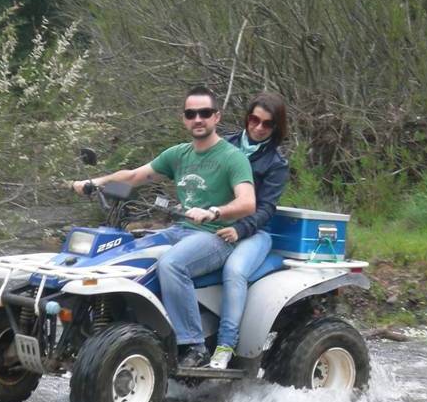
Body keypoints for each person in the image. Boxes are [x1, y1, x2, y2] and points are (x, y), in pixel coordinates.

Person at [73, 86, 255, 367]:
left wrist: (213, 211)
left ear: (216, 117)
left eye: (204, 113)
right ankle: (117, 329)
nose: (198, 119)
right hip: (181, 231)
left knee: (172, 264)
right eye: (191, 113)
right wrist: (96, 183)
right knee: (127, 254)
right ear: (184, 119)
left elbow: (248, 203)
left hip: (216, 237)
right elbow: (134, 177)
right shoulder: (179, 154)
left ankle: (193, 346)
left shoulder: (232, 157)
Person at [208, 91, 290, 369]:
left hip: (255, 233)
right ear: (246, 118)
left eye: (266, 124)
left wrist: (240, 230)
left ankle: (225, 344)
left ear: (275, 128)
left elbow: (266, 208)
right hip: (212, 223)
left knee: (234, 270)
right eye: (254, 119)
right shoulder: (224, 144)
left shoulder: (276, 164)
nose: (258, 127)